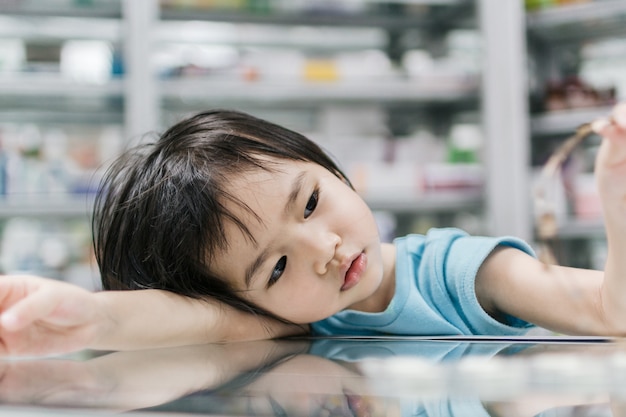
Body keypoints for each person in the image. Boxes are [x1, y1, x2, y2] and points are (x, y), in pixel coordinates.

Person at [0, 102, 625, 357]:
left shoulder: (458, 270)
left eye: (309, 203)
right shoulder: (299, 317)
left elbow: (607, 311)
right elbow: (198, 322)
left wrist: (615, 198)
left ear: (336, 170)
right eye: (275, 268)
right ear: (248, 299)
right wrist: (91, 318)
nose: (322, 249)